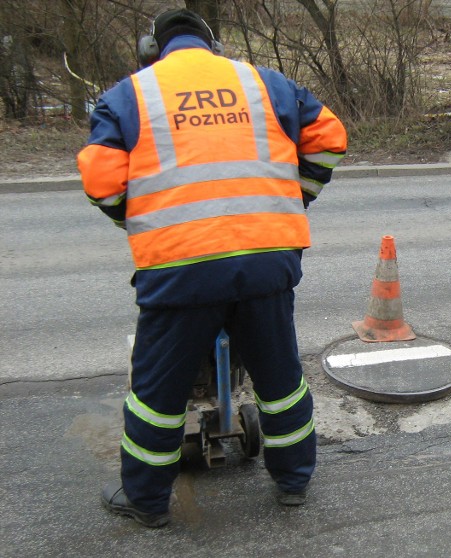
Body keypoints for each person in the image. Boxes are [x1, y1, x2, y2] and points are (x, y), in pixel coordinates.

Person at [77, 8, 347, 528]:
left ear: (152, 49)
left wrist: (142, 221)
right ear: (213, 46)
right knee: (280, 377)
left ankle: (149, 502)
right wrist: (294, 198)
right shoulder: (263, 82)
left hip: (182, 265)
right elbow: (329, 138)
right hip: (267, 257)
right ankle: (293, 481)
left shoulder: (130, 94)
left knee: (157, 394)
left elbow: (102, 181)